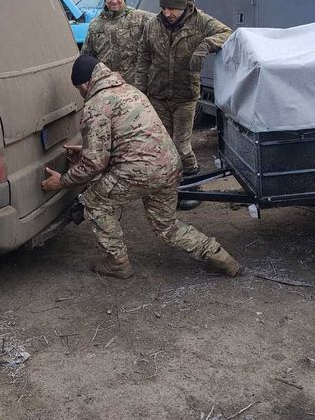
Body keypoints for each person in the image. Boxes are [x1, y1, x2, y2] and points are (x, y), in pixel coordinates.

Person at [41, 55, 241, 279]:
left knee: (94, 203)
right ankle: (221, 257)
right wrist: (85, 149)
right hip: (168, 165)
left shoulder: (95, 107)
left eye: (79, 88)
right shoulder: (130, 91)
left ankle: (117, 263)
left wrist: (63, 181)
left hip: (139, 171)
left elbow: (94, 164)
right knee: (167, 227)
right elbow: (128, 137)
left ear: (85, 84)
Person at [134, 0, 232, 181]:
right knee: (162, 144)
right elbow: (143, 59)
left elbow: (227, 33)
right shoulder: (153, 25)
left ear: (183, 6)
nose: (167, 13)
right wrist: (139, 91)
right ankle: (170, 184)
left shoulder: (200, 21)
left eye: (171, 9)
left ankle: (192, 180)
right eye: (163, 8)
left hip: (185, 96)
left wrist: (204, 46)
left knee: (181, 145)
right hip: (158, 95)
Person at [80, 0, 152, 84]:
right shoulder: (95, 25)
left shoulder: (140, 18)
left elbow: (164, 22)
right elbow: (86, 58)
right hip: (106, 86)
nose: (114, 1)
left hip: (135, 86)